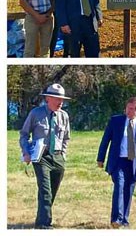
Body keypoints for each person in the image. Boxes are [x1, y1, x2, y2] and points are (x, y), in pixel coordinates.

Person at [19, 84, 71, 229]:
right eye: (57, 99)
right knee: (45, 191)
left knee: (52, 191)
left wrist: (64, 154)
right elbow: (24, 134)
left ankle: (41, 218)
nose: (60, 102)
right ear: (48, 98)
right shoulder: (36, 113)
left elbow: (66, 137)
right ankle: (44, 225)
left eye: (62, 99)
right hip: (41, 156)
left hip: (58, 157)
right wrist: (26, 152)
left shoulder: (64, 116)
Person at [97, 97, 136, 228]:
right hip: (118, 162)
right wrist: (100, 158)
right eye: (127, 107)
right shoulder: (116, 121)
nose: (128, 111)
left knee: (128, 190)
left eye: (132, 109)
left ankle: (124, 220)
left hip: (134, 164)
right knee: (119, 187)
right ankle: (116, 219)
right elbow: (106, 140)